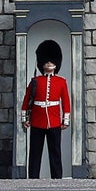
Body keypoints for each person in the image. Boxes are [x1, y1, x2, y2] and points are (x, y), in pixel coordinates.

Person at [21, 40, 70, 179]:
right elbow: (27, 99)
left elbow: (66, 101)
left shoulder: (61, 82)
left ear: (56, 63)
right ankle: (33, 178)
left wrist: (65, 120)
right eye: (46, 60)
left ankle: (57, 178)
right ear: (41, 62)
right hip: (37, 120)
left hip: (54, 121)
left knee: (55, 151)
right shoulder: (35, 81)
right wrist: (25, 118)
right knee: (35, 152)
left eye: (52, 60)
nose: (49, 63)